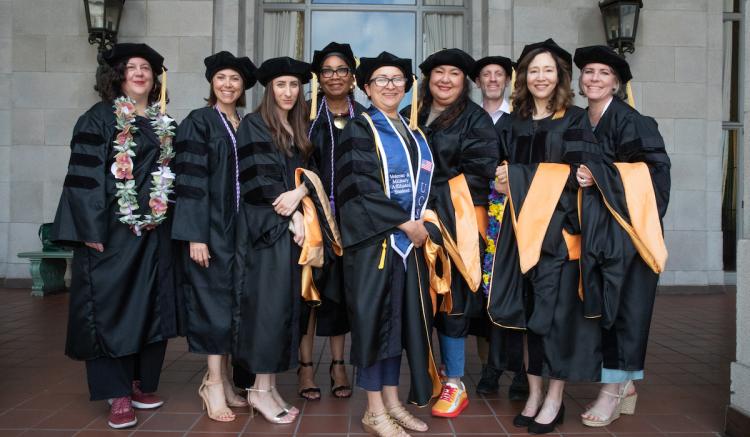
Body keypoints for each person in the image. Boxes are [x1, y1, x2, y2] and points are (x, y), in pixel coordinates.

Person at [50, 43, 178, 429]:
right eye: (131, 67)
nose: (140, 73)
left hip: (155, 233)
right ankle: (115, 392)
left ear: (155, 78)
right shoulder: (98, 119)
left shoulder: (162, 123)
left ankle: (139, 382)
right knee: (110, 307)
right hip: (112, 231)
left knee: (150, 304)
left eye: (146, 68)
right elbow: (83, 177)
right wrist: (88, 229)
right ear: (118, 75)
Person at [487, 39, 602, 434]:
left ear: (560, 76)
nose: (540, 77)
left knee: (555, 320)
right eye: (533, 70)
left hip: (559, 235)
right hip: (521, 234)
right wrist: (501, 182)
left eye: (548, 70)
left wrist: (518, 178)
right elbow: (496, 173)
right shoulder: (511, 123)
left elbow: (580, 175)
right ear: (523, 76)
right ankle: (534, 394)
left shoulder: (575, 120)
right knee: (527, 317)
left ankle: (555, 398)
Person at [337, 51, 442, 436]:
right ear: (366, 87)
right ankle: (374, 409)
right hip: (374, 246)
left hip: (408, 247)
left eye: (397, 79)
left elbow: (428, 188)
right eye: (381, 80)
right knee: (373, 324)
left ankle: (393, 401)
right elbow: (358, 188)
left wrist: (424, 223)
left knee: (396, 326)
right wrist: (403, 223)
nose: (390, 86)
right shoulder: (359, 129)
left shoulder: (414, 133)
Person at [233, 56, 338, 424]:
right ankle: (259, 390)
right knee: (268, 311)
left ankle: (269, 384)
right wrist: (292, 212)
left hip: (292, 233)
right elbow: (259, 181)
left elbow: (313, 175)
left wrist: (299, 196)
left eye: (294, 85)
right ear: (269, 89)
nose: (289, 92)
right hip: (266, 232)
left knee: (284, 311)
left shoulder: (299, 130)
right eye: (281, 85)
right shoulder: (254, 124)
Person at [572, 45, 670, 427]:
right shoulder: (580, 120)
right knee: (601, 311)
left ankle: (612, 391)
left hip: (630, 235)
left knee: (626, 311)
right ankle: (624, 386)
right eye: (589, 72)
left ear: (616, 82)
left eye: (603, 73)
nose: (594, 78)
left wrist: (600, 173)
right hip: (592, 234)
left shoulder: (635, 121)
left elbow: (655, 177)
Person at [404, 48, 499, 418]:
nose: (445, 79)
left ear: (465, 81)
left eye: (454, 74)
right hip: (412, 224)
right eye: (438, 72)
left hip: (454, 222)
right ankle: (426, 374)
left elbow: (480, 173)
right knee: (420, 300)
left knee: (452, 300)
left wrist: (430, 204)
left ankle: (455, 382)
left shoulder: (475, 120)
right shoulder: (412, 114)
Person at [172, 51, 257, 422]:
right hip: (211, 230)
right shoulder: (199, 121)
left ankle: (223, 381)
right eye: (221, 78)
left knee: (234, 308)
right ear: (212, 83)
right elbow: (190, 182)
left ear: (243, 87)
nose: (228, 84)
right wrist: (195, 235)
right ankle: (213, 383)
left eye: (235, 79)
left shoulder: (246, 123)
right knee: (214, 308)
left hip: (242, 232)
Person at [298, 41, 366, 401]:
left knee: (341, 294)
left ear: (353, 77)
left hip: (352, 223)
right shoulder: (305, 117)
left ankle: (338, 364)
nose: (335, 76)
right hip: (312, 220)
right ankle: (305, 366)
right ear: (319, 78)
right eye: (327, 71)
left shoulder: (365, 118)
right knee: (310, 292)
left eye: (342, 70)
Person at [470, 55, 528, 400]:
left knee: (514, 288)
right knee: (484, 291)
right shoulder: (471, 118)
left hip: (512, 213)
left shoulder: (519, 118)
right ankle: (489, 366)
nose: (492, 80)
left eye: (498, 75)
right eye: (486, 75)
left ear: (507, 80)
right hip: (478, 212)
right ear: (478, 82)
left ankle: (520, 369)